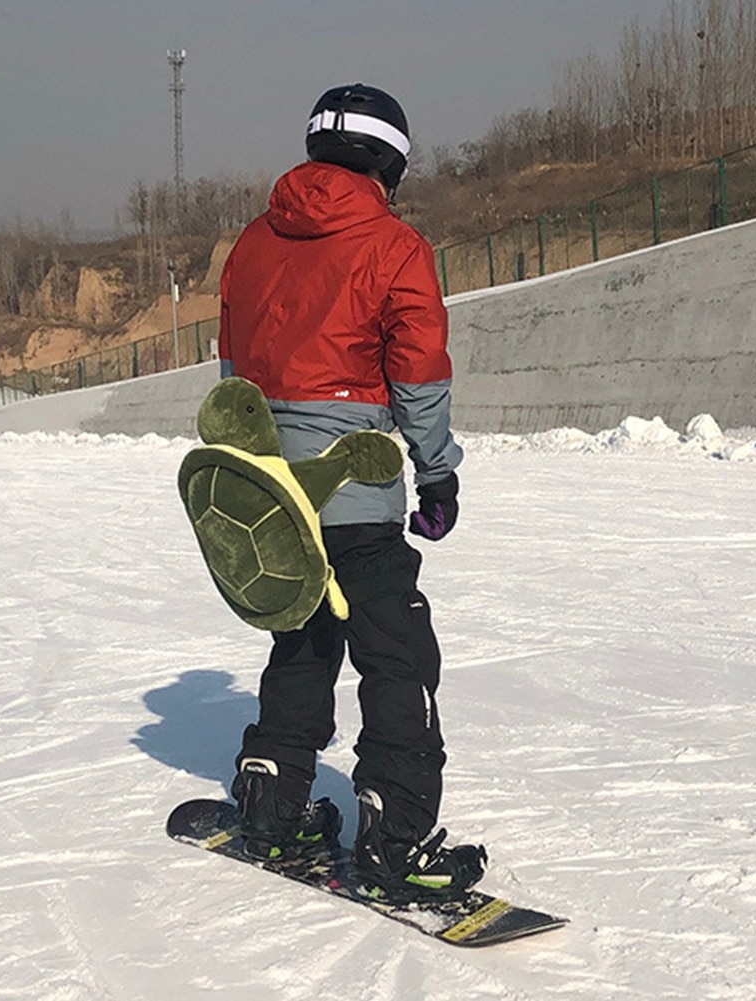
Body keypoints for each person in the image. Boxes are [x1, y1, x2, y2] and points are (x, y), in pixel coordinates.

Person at [217, 83, 486, 901]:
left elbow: (232, 373)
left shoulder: (251, 244)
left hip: (273, 493)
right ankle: (395, 829)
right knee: (395, 654)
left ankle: (270, 796)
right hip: (356, 493)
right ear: (389, 161)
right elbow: (416, 373)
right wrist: (435, 469)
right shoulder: (393, 244)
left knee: (300, 638)